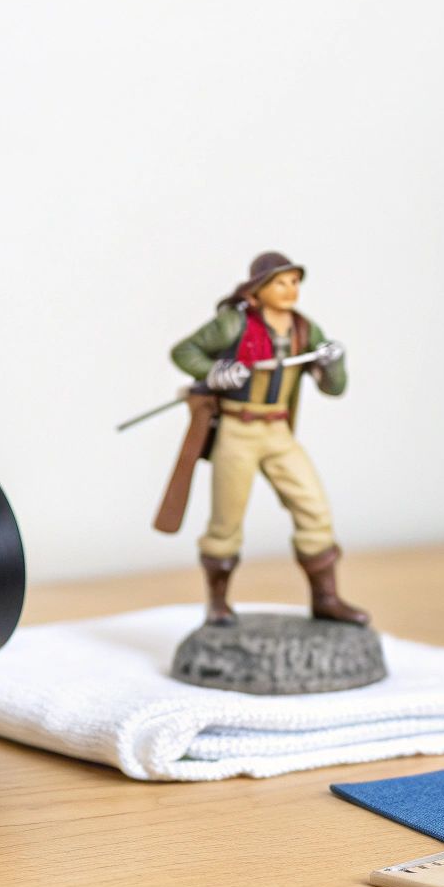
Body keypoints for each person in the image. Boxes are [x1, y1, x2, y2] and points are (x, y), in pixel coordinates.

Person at [166, 251, 368, 626]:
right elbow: (183, 352)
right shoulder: (233, 324)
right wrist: (215, 372)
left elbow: (335, 388)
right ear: (258, 289)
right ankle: (218, 604)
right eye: (281, 282)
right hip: (238, 431)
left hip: (278, 432)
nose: (291, 290)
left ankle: (326, 598)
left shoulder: (304, 330)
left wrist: (332, 361)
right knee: (226, 521)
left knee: (314, 509)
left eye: (294, 282)